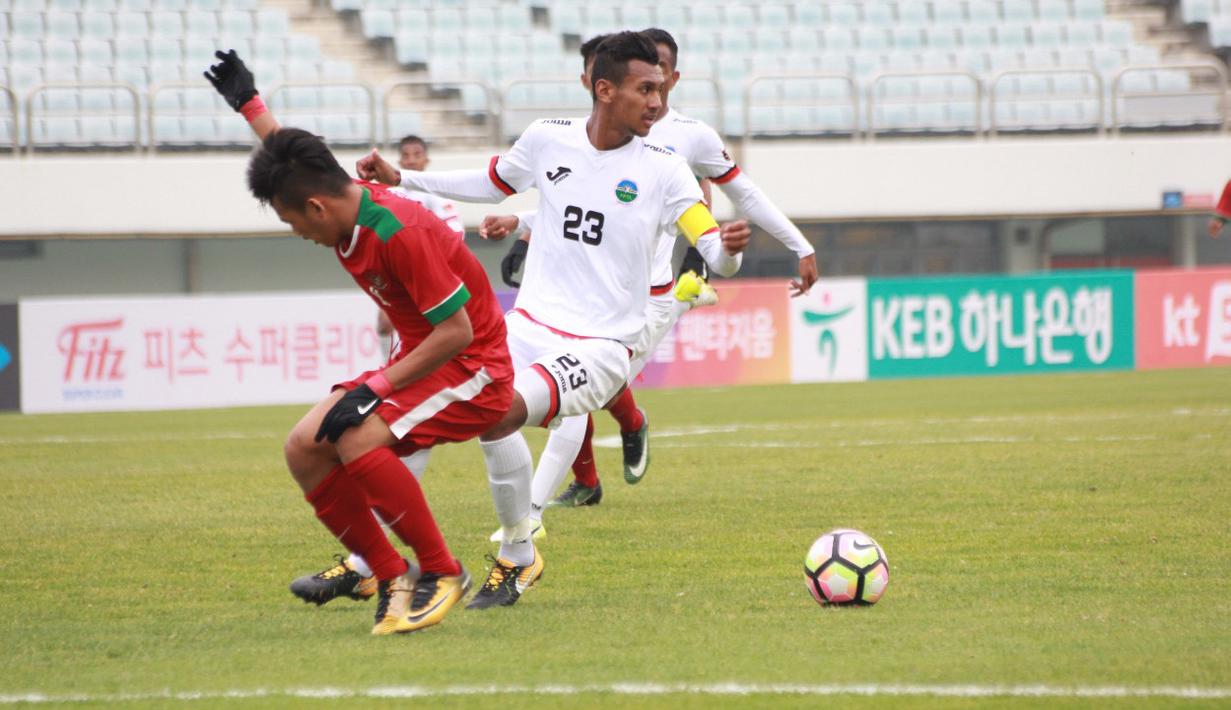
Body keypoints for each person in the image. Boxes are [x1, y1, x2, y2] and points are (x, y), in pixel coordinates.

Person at [354, 31, 747, 562]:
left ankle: (517, 551)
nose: (657, 102)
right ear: (604, 90)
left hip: (603, 345)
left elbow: (713, 250)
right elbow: (489, 182)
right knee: (419, 411)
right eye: (645, 89)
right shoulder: (547, 139)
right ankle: (369, 559)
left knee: (499, 412)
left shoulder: (667, 168)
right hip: (526, 327)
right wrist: (404, 178)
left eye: (660, 89)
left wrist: (728, 252)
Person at [203, 50, 537, 628]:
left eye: (293, 222)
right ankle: (389, 572)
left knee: (356, 439)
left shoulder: (398, 232)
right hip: (424, 359)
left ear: (314, 207)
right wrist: (249, 105)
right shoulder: (336, 199)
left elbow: (456, 332)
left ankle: (440, 570)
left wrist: (375, 385)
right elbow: (297, 160)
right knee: (303, 446)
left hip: (473, 368)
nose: (298, 233)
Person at [487, 27, 817, 513]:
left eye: (659, 79)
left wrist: (797, 244)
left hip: (649, 296)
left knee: (571, 390)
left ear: (672, 77)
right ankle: (595, 468)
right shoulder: (580, 136)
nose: (654, 92)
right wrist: (524, 224)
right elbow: (581, 210)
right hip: (588, 292)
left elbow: (741, 198)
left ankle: (530, 517)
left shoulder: (689, 138)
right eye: (644, 80)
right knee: (566, 387)